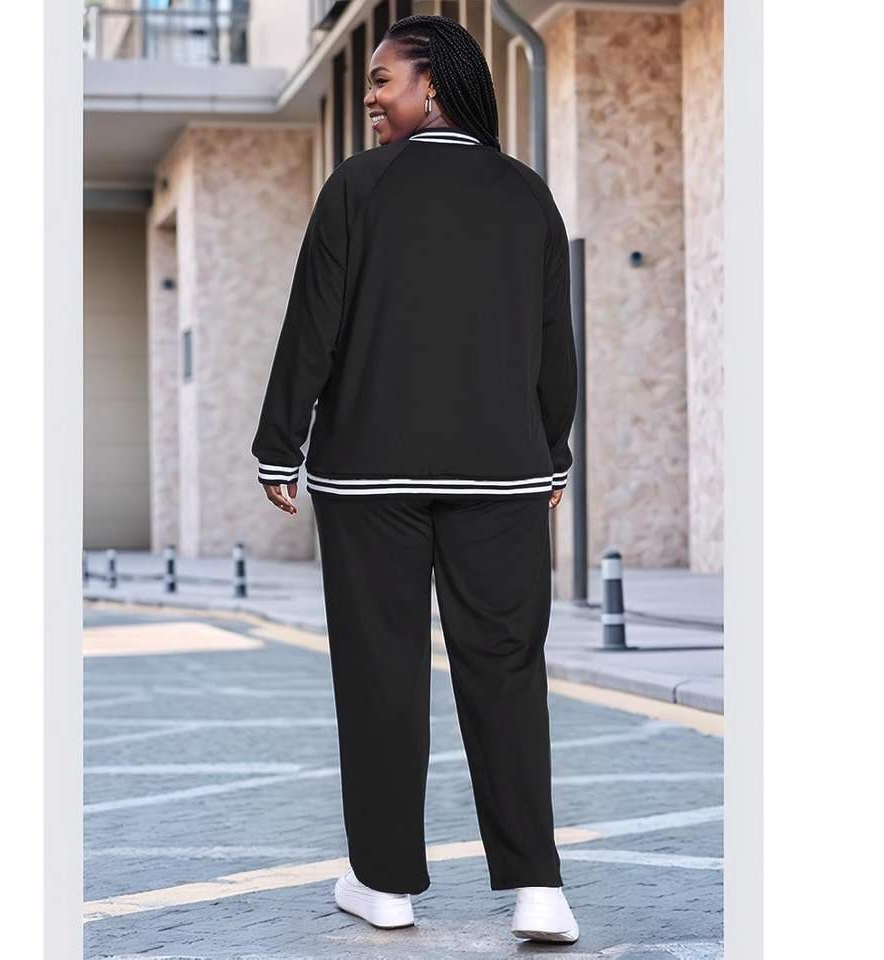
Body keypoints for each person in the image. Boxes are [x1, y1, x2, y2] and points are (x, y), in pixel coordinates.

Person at [250, 14, 580, 945]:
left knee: (380, 674)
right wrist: (551, 451)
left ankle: (385, 884)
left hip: (369, 479)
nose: (370, 99)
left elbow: (312, 324)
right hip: (503, 479)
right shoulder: (527, 196)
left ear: (432, 84)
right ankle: (540, 890)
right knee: (507, 673)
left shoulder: (358, 189)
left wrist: (280, 444)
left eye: (382, 81)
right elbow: (553, 344)